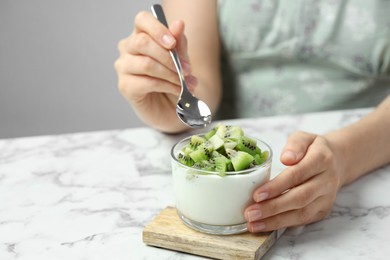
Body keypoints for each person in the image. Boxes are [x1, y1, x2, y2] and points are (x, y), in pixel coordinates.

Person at [114, 0, 390, 233]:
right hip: (234, 183)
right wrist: (171, 97)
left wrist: (345, 155)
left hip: (372, 162)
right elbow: (199, 82)